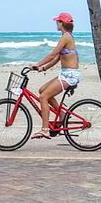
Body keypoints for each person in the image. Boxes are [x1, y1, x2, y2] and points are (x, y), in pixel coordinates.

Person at [30, 12, 80, 140]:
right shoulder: (66, 36)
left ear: (62, 23)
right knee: (42, 90)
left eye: (57, 21)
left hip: (69, 75)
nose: (56, 23)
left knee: (43, 97)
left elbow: (52, 54)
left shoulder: (66, 37)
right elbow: (57, 58)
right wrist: (42, 68)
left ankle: (45, 130)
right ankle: (62, 114)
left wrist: (36, 64)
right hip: (65, 74)